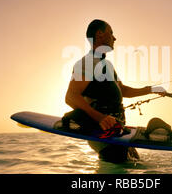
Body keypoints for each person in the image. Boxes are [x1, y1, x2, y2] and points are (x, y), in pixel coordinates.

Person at [64, 19, 165, 163]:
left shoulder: (107, 65)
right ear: (99, 34)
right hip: (104, 134)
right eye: (111, 33)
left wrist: (151, 89)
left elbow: (123, 90)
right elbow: (71, 97)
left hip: (119, 131)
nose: (114, 37)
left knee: (137, 164)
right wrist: (100, 118)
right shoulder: (87, 62)